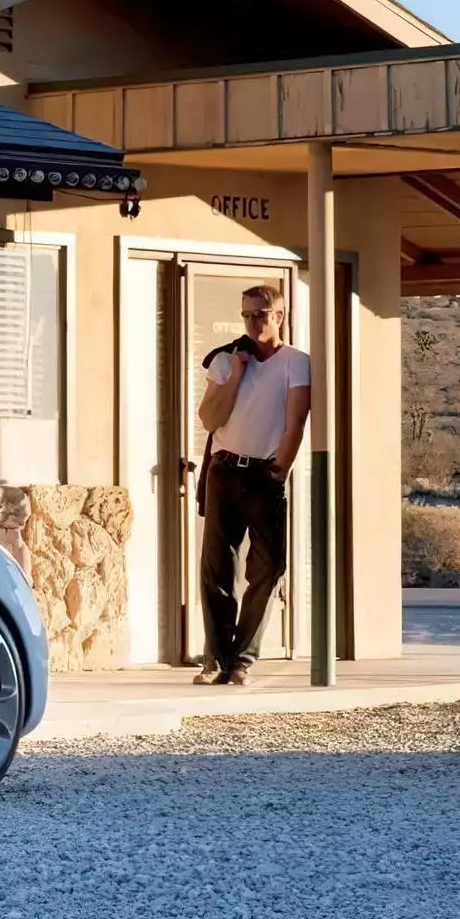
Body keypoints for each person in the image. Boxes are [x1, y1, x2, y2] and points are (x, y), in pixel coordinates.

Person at [193, 283, 310, 685]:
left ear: (279, 315)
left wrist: (279, 470)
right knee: (218, 570)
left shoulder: (296, 362)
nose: (254, 321)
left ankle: (242, 658)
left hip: (266, 474)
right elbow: (209, 419)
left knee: (270, 568)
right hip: (224, 470)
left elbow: (295, 423)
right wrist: (235, 375)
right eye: (247, 314)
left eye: (261, 313)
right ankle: (217, 661)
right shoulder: (227, 361)